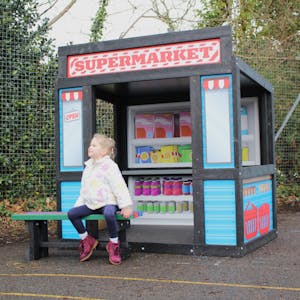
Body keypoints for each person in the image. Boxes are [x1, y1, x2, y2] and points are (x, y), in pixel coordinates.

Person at [68, 133, 133, 265]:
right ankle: (87, 240)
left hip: (108, 202)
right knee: (72, 214)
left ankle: (114, 245)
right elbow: (84, 190)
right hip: (92, 204)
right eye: (90, 145)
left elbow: (119, 186)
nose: (90, 147)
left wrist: (126, 205)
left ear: (103, 151)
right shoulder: (88, 167)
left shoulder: (110, 166)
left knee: (109, 213)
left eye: (94, 145)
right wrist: (78, 205)